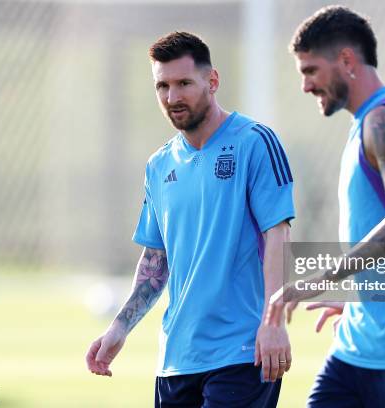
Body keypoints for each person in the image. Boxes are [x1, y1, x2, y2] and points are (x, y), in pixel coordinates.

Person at [266, 6, 385, 407]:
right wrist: (367, 290)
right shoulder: (371, 124)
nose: (305, 85)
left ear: (346, 61)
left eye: (310, 71)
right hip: (357, 352)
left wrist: (322, 279)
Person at [85, 31, 296, 407]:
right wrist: (120, 327)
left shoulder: (254, 143)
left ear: (212, 81)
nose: (172, 97)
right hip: (176, 360)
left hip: (242, 353)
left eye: (184, 83)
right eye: (162, 86)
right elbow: (157, 260)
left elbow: (278, 236)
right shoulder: (159, 165)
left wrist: (273, 322)